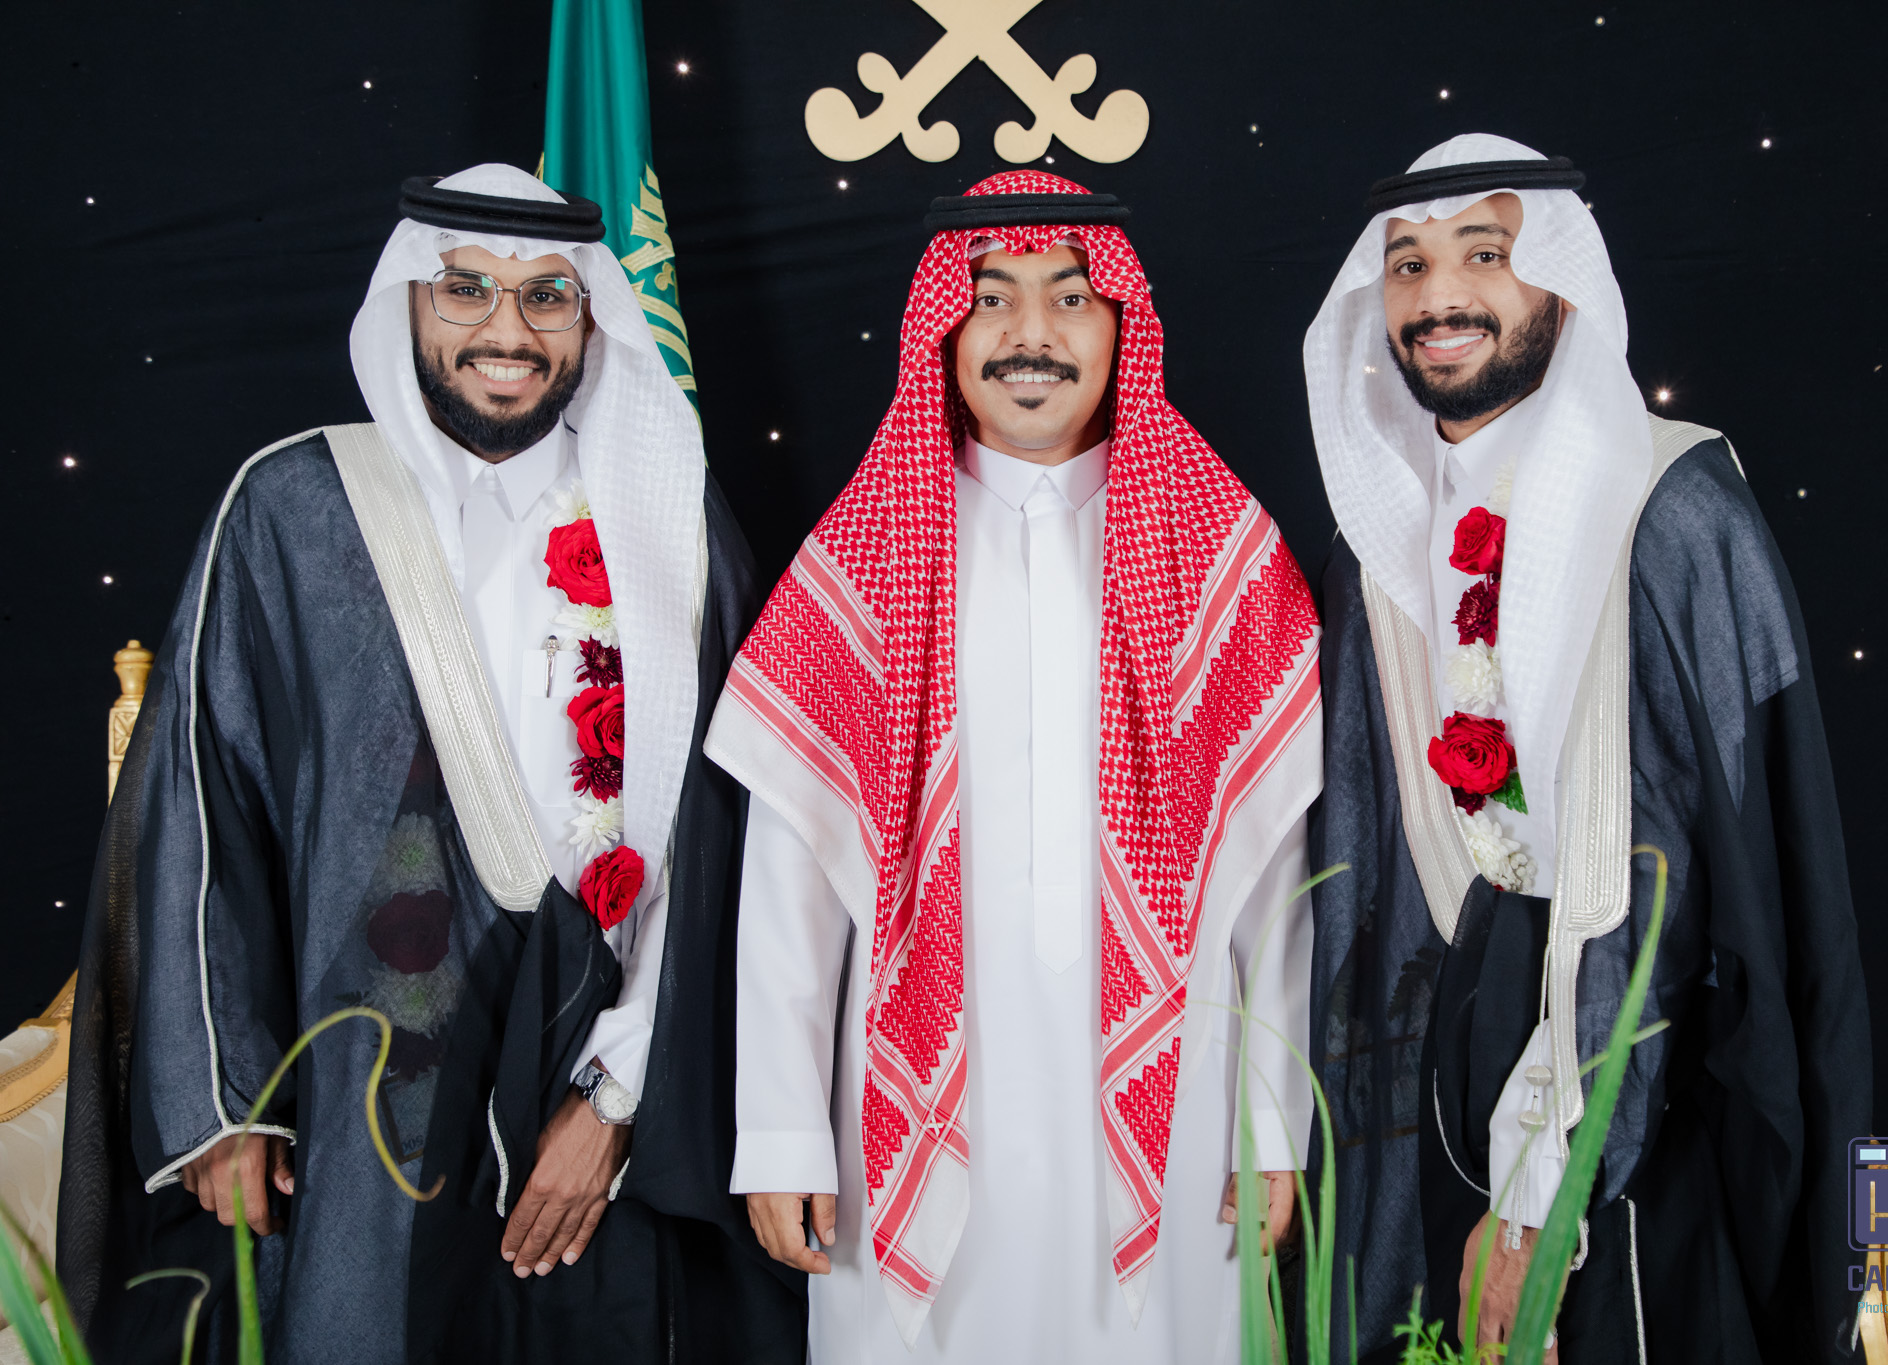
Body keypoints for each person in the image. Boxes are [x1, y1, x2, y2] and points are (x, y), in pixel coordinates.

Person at [58, 164, 804, 1364]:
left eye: (546, 296)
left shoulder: (668, 521)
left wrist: (621, 1092)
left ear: (589, 319)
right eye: (466, 290)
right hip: (354, 1088)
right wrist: (227, 1102)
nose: (507, 331)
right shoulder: (295, 508)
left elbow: (724, 835)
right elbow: (203, 803)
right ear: (406, 299)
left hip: (593, 1072)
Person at [704, 172, 1324, 1362]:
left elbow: (1271, 883)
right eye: (990, 297)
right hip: (908, 1105)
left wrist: (1271, 1122)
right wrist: (780, 1130)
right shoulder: (863, 557)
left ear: (1122, 326)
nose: (1028, 333)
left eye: (1069, 298)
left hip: (1180, 1117)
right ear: (942, 329)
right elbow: (790, 881)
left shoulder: (1221, 554)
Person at [1300, 135, 1872, 1362]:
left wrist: (1541, 1185)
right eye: (1407, 264)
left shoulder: (1672, 509)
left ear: (1560, 284)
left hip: (1650, 1073)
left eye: (1484, 255)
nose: (1439, 297)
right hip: (1451, 1065)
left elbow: (1680, 870)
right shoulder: (1377, 543)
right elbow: (1368, 869)